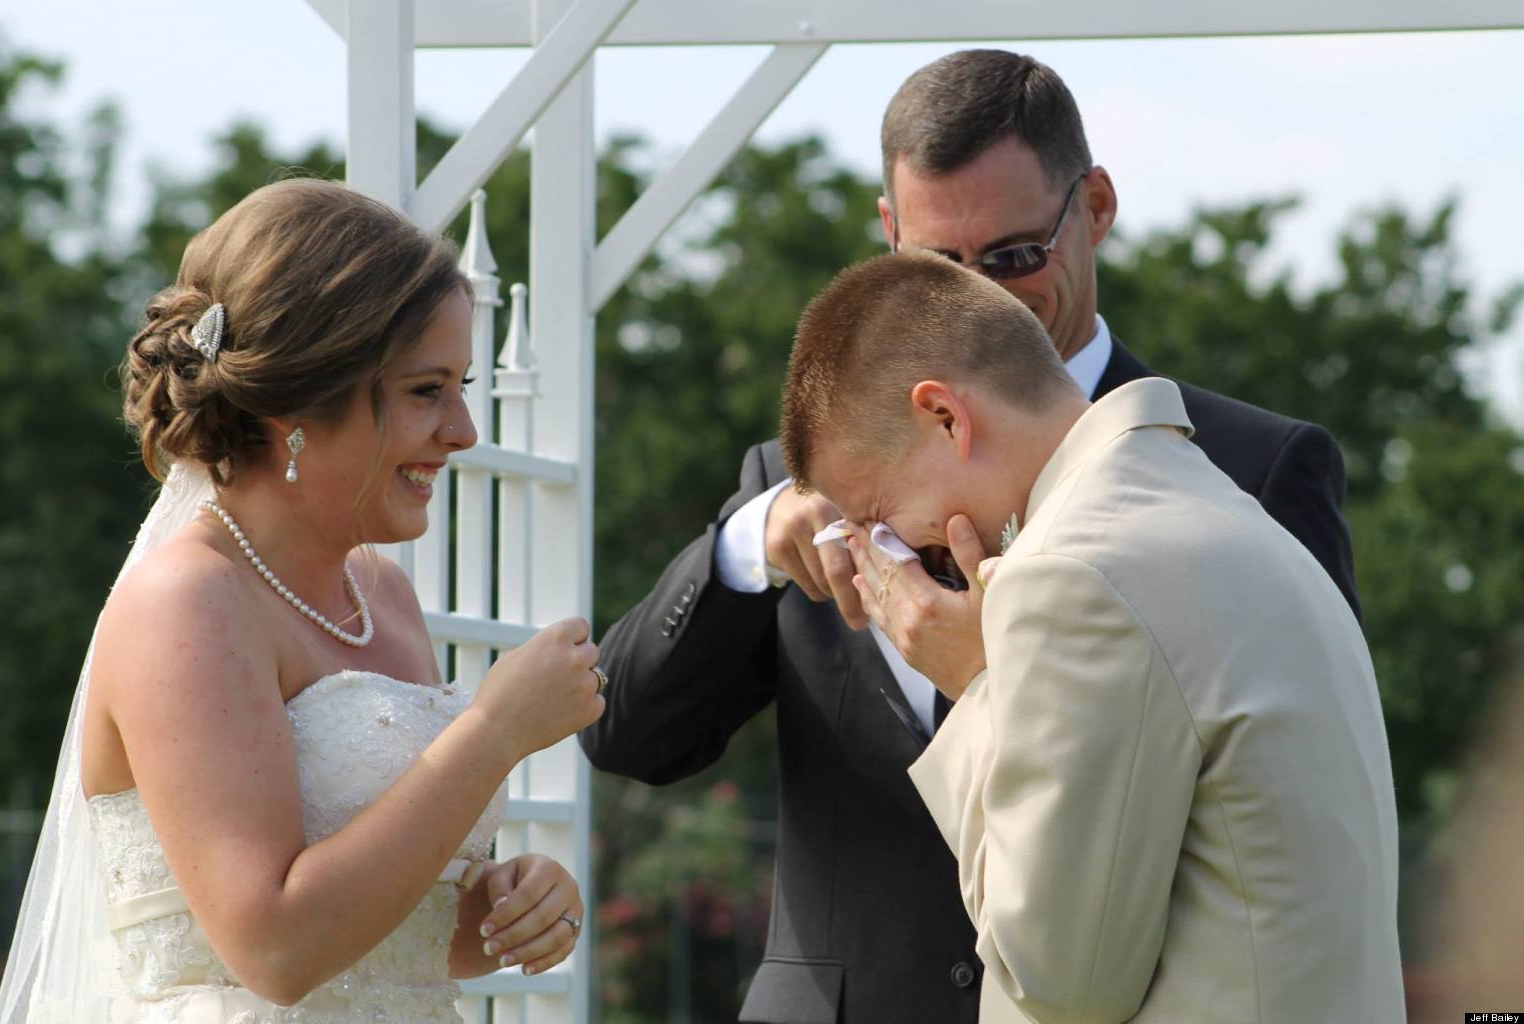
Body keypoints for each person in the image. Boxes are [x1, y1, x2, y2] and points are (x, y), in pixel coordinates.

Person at [581, 49, 1358, 1023]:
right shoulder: (804, 481)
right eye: (935, 268)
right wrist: (743, 546)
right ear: (887, 232)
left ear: (1097, 206)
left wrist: (989, 685)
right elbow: (623, 732)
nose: (975, 297)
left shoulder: (1247, 469)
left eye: (1013, 256)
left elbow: (1289, 826)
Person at [0, 179, 606, 1023]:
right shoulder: (187, 602)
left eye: (462, 386)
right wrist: (492, 732)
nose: (464, 430)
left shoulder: (381, 594)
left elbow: (388, 938)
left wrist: (511, 907)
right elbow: (276, 949)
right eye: (428, 390)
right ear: (296, 404)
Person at [782, 250, 1404, 1023]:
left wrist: (979, 689)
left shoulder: (1073, 574)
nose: (890, 553)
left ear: (946, 416)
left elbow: (1057, 981)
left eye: (878, 515)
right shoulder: (1225, 511)